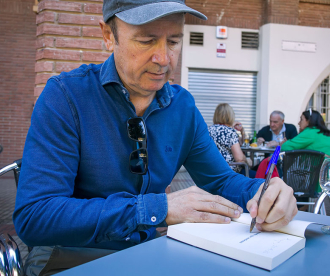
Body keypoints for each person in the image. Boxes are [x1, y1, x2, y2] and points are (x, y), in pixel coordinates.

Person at [13, 1, 297, 274]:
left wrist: (264, 193)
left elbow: (221, 180)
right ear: (108, 36)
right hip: (71, 256)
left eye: (173, 41)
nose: (163, 59)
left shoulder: (182, 107)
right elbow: (35, 216)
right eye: (146, 40)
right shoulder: (66, 97)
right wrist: (155, 209)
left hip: (149, 254)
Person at [208, 103, 255, 178]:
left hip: (211, 171)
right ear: (230, 116)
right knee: (259, 176)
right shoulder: (229, 132)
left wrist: (241, 131)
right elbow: (239, 159)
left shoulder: (208, 130)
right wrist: (247, 160)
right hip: (229, 172)